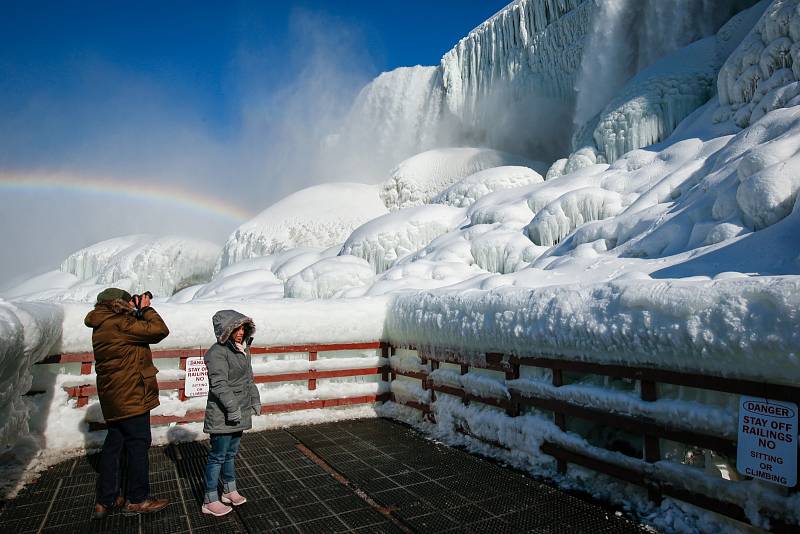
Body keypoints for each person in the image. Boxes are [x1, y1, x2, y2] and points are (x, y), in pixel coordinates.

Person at [84, 288, 170, 519]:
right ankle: (137, 499)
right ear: (118, 304)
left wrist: (133, 311)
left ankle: (106, 499)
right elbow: (159, 330)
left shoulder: (102, 323)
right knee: (138, 444)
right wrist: (146, 309)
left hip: (113, 396)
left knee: (114, 445)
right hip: (131, 395)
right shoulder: (121, 324)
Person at [201, 309, 261, 517]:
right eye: (236, 328)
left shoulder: (242, 349)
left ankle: (229, 490)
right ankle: (209, 499)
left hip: (240, 411)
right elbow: (218, 384)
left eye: (243, 328)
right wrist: (233, 408)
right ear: (225, 330)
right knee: (217, 456)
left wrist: (254, 399)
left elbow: (248, 379)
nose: (240, 332)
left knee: (231, 453)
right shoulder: (217, 352)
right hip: (223, 413)